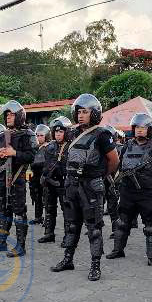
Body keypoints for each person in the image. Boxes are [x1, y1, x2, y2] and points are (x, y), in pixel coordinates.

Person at [51, 94, 119, 281]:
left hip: (91, 187)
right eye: (79, 112)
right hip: (72, 185)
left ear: (94, 113)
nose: (81, 115)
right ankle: (68, 259)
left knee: (94, 228)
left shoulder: (103, 135)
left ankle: (95, 265)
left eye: (85, 112)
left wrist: (99, 175)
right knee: (72, 225)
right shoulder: (72, 133)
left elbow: (114, 161)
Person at [106, 113, 152, 266]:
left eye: (143, 127)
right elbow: (120, 165)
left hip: (147, 193)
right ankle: (118, 250)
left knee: (151, 226)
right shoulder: (127, 145)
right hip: (127, 192)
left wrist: (151, 179)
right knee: (122, 222)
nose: (139, 130)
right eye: (137, 127)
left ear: (150, 129)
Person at [0, 100, 36, 257]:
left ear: (19, 116)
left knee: (19, 212)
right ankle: (2, 242)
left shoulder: (28, 134)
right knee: (3, 211)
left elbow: (32, 156)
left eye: (12, 114)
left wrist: (14, 153)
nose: (8, 117)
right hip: (1, 180)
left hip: (16, 179)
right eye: (7, 114)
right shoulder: (2, 135)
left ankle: (20, 246)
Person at [38, 117, 71, 245]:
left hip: (64, 183)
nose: (58, 134)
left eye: (61, 131)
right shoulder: (50, 146)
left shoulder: (71, 146)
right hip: (50, 183)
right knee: (49, 209)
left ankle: (68, 237)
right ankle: (49, 234)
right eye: (56, 131)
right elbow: (45, 164)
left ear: (66, 132)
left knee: (67, 211)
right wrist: (44, 176)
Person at [103, 125, 124, 238]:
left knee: (112, 206)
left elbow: (122, 164)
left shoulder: (120, 148)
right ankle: (96, 226)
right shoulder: (99, 147)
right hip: (102, 178)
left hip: (114, 180)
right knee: (97, 204)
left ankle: (116, 229)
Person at [29, 124, 50, 225]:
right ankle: (38, 217)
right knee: (36, 197)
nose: (38, 137)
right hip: (35, 175)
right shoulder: (35, 148)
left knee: (47, 198)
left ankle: (48, 219)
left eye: (41, 135)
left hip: (45, 176)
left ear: (46, 136)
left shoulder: (49, 147)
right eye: (37, 135)